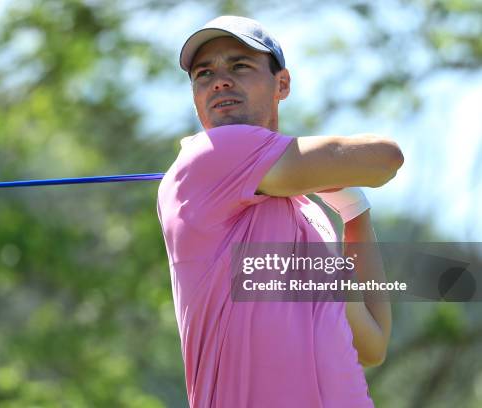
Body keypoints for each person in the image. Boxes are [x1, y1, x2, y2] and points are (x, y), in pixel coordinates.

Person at [157, 15, 403, 407]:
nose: (219, 80)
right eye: (204, 74)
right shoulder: (209, 157)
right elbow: (385, 158)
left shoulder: (311, 216)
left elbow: (371, 343)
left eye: (239, 65)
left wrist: (355, 211)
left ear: (281, 84)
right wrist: (326, 170)